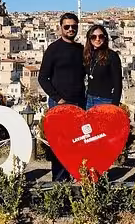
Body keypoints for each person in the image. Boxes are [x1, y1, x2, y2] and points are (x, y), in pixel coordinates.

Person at [38, 12, 86, 181]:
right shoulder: (53, 49)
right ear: (60, 28)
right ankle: (59, 182)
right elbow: (42, 77)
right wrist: (58, 99)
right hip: (60, 103)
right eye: (67, 26)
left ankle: (76, 178)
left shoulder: (81, 49)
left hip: (79, 103)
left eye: (74, 26)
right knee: (60, 144)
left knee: (79, 143)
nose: (71, 29)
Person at [83, 24, 123, 109]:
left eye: (101, 36)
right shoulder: (88, 55)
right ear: (89, 39)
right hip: (89, 100)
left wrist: (114, 106)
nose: (97, 39)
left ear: (105, 38)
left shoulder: (112, 56)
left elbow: (118, 84)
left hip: (105, 100)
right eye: (94, 37)